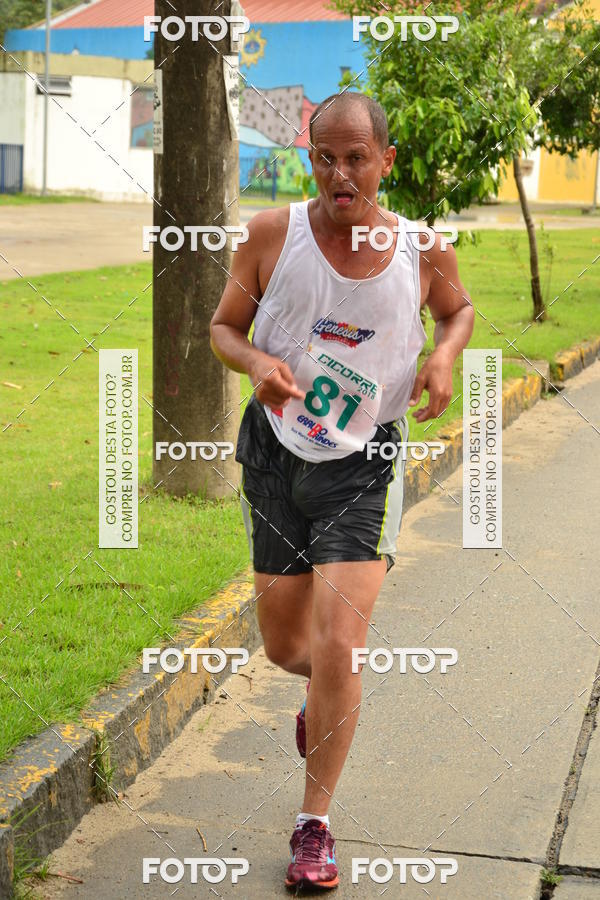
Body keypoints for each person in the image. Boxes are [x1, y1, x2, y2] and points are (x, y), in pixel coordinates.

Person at [210, 91, 474, 890]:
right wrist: (257, 363)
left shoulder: (422, 250)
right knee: (289, 648)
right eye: (325, 157)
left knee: (337, 646)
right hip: (276, 456)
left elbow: (458, 311)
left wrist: (443, 356)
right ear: (309, 159)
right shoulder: (271, 236)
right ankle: (323, 702)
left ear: (386, 161)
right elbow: (225, 327)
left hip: (365, 465)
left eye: (357, 157)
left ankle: (313, 827)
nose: (340, 173)